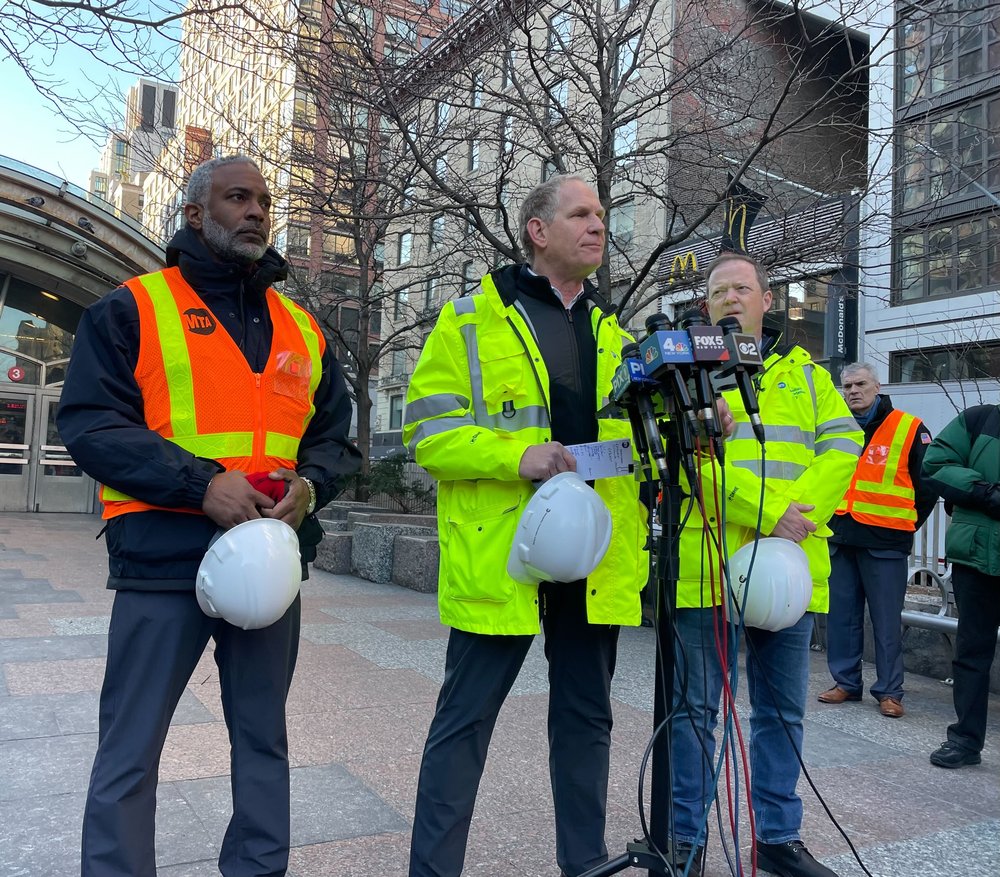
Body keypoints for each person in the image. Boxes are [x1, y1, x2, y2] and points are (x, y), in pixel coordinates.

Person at [58, 155, 361, 877]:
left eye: (263, 199)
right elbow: (90, 422)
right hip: (163, 557)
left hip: (268, 566)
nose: (256, 210)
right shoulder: (132, 307)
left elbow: (336, 435)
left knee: (263, 740)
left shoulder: (303, 329)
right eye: (237, 197)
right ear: (195, 213)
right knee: (131, 746)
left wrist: (312, 486)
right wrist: (200, 485)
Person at [402, 175, 648, 877]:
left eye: (601, 215)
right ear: (538, 231)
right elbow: (429, 436)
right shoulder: (468, 321)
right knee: (464, 722)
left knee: (586, 719)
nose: (598, 225)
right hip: (503, 553)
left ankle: (586, 863)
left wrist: (693, 420)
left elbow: (637, 443)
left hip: (590, 556)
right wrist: (518, 455)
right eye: (581, 214)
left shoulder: (616, 334)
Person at [670, 252, 863, 877]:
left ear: (767, 300)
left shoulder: (807, 375)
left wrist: (791, 517)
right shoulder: (690, 373)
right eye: (719, 291)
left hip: (788, 574)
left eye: (742, 288)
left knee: (782, 714)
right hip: (711, 568)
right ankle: (686, 840)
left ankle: (777, 840)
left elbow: (844, 446)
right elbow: (688, 462)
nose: (731, 298)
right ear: (705, 307)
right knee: (698, 713)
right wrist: (771, 510)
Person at [818, 363, 937, 717]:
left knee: (886, 620)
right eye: (848, 385)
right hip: (840, 534)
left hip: (885, 540)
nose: (853, 391)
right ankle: (845, 682)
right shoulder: (835, 425)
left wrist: (906, 524)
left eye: (861, 384)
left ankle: (889, 691)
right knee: (841, 616)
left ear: (877, 385)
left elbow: (927, 484)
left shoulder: (908, 427)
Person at [922, 403, 1000, 769]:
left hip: (977, 550)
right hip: (977, 555)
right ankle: (965, 740)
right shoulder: (979, 419)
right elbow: (935, 463)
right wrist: (986, 493)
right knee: (971, 652)